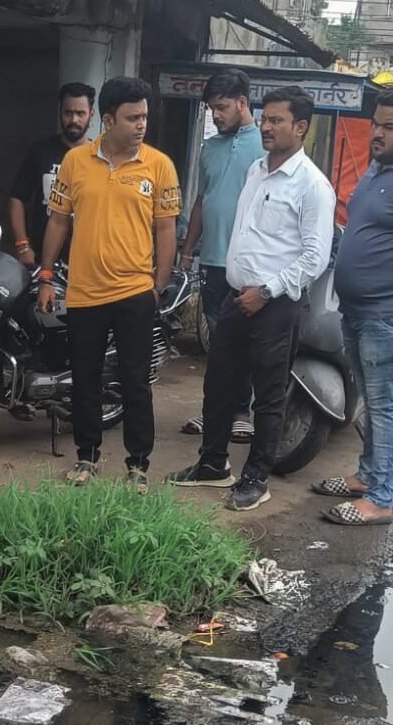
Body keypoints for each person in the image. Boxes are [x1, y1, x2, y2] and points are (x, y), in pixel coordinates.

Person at [167, 86, 336, 511]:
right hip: (235, 296)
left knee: (269, 395)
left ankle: (256, 478)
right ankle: (212, 464)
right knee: (219, 385)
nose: (266, 126)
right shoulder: (256, 171)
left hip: (274, 305)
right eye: (265, 118)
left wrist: (267, 291)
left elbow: (315, 256)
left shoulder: (313, 185)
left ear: (301, 127)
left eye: (277, 120)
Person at [38, 76, 181, 493]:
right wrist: (47, 275)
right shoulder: (76, 163)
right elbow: (58, 220)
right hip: (84, 293)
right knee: (86, 379)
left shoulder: (159, 165)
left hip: (135, 292)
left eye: (145, 118)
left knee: (136, 381)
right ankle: (87, 458)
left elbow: (166, 229)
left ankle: (138, 465)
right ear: (107, 120)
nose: (141, 125)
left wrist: (159, 285)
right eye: (132, 117)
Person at [316, 90, 393, 526]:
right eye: (376, 124)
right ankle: (368, 476)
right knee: (368, 400)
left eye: (388, 127)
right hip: (355, 309)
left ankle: (384, 497)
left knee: (385, 407)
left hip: (385, 316)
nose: (377, 133)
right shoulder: (375, 170)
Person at [179, 69, 263, 443]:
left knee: (243, 341)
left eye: (222, 107)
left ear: (242, 103)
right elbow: (202, 200)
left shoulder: (265, 144)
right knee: (217, 341)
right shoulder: (209, 147)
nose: (216, 115)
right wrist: (186, 251)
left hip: (249, 264)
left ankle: (241, 411)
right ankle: (215, 411)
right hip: (212, 261)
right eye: (212, 108)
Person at [9, 82, 95, 265]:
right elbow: (16, 198)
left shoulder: (100, 158)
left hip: (87, 263)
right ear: (60, 113)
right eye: (68, 113)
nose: (74, 120)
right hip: (41, 260)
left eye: (80, 114)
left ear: (91, 115)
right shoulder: (41, 151)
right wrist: (22, 245)